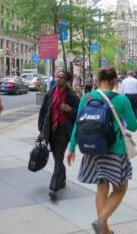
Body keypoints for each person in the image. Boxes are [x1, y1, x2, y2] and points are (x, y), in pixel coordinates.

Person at [67, 67, 137, 234]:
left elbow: (78, 124)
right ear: (114, 81)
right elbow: (133, 125)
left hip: (93, 151)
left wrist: (71, 148)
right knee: (120, 188)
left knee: (101, 189)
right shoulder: (121, 100)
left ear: (98, 80)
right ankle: (100, 221)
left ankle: (104, 231)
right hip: (115, 151)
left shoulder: (87, 98)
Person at [38, 69, 79, 200]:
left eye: (61, 78)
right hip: (51, 129)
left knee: (58, 158)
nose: (58, 79)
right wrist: (42, 130)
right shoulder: (50, 93)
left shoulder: (72, 96)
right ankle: (62, 179)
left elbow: (80, 113)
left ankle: (53, 187)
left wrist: (70, 110)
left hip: (64, 129)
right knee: (57, 157)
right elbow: (43, 112)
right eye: (57, 77)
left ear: (67, 80)